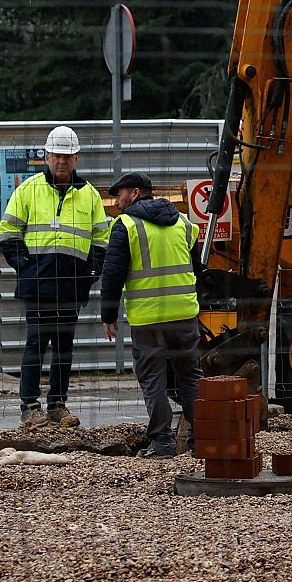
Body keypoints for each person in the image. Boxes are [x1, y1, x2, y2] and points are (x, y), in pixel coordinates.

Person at [0, 125, 109, 429]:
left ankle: (57, 404)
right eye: (56, 155)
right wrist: (26, 267)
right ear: (46, 157)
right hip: (38, 285)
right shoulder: (29, 189)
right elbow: (7, 233)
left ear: (76, 159)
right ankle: (30, 407)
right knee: (36, 343)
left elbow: (101, 239)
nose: (61, 161)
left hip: (72, 285)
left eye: (67, 156)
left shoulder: (89, 195)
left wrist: (90, 273)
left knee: (64, 346)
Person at [98, 172, 203, 459]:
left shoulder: (126, 225)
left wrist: (108, 314)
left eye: (118, 195)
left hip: (148, 319)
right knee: (190, 376)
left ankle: (163, 443)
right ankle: (202, 439)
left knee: (152, 379)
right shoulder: (183, 222)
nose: (116, 202)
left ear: (134, 193)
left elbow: (113, 274)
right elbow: (197, 269)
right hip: (184, 315)